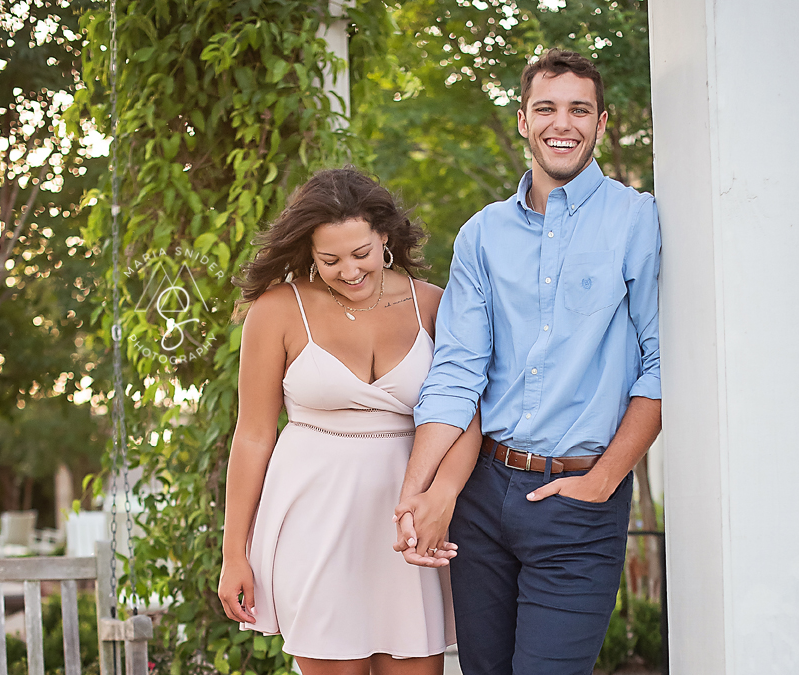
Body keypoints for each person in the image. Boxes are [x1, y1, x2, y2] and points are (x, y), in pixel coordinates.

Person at [392, 48, 663, 675]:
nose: (561, 123)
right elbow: (460, 372)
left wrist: (602, 481)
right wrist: (418, 493)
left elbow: (661, 363)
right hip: (482, 495)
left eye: (579, 109)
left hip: (578, 498)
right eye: (546, 108)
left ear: (601, 124)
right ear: (523, 119)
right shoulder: (482, 234)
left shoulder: (634, 219)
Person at [218, 167, 480, 675]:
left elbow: (466, 416)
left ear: (384, 237)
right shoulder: (277, 310)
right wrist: (235, 552)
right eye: (330, 259)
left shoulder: (434, 305)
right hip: (312, 521)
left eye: (360, 253)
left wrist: (442, 495)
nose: (350, 271)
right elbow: (252, 435)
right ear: (310, 253)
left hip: (407, 520)